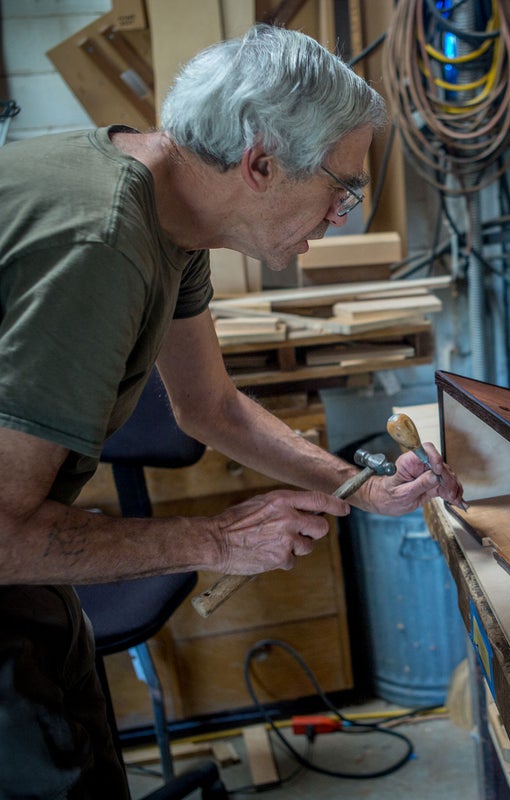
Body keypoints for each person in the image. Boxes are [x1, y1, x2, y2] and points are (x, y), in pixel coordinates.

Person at [0, 23, 465, 799]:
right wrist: (215, 539)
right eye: (341, 185)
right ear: (261, 163)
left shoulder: (169, 213)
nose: (343, 212)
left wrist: (361, 487)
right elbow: (4, 533)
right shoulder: (102, 241)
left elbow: (211, 408)